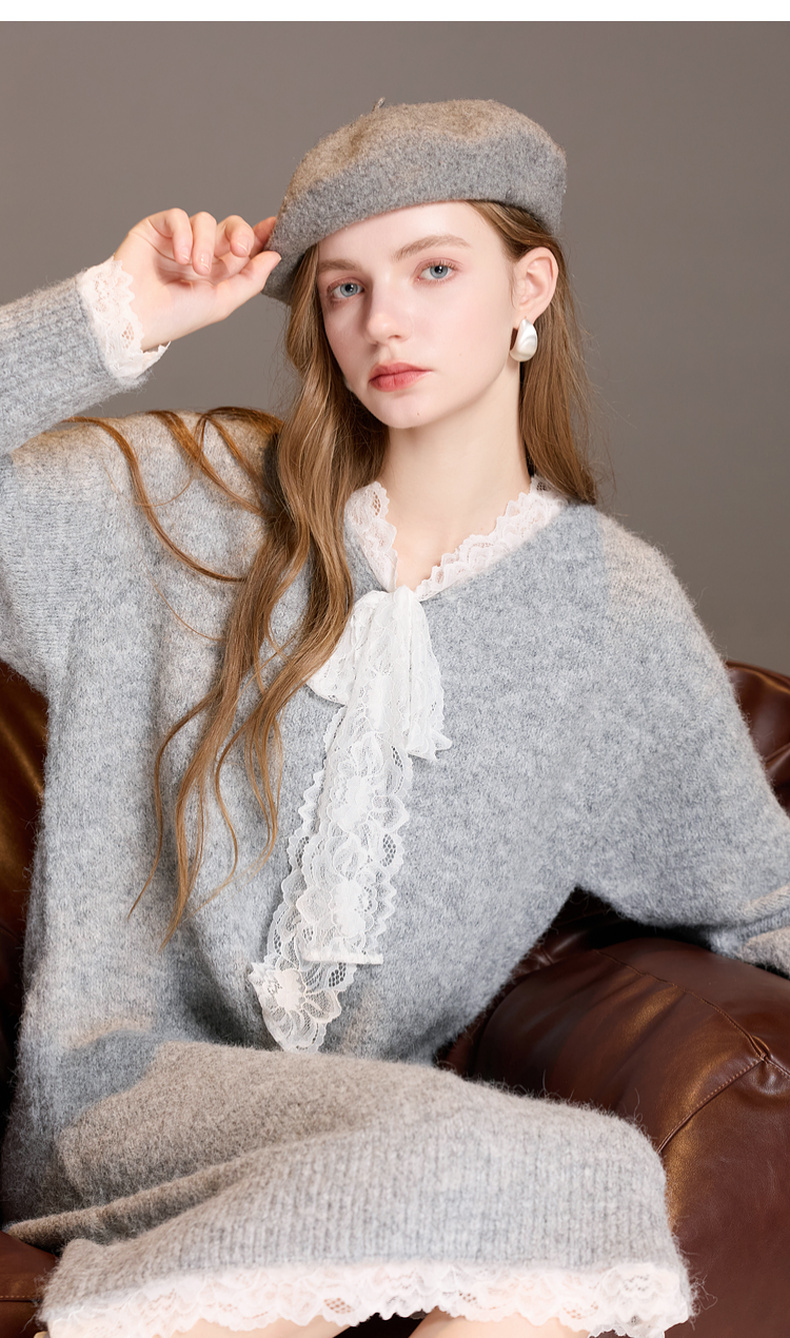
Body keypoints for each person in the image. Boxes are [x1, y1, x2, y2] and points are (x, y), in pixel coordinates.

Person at [1, 98, 789, 1338]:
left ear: (530, 285)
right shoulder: (180, 505)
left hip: (377, 1131)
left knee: (545, 1177)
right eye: (344, 289)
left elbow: (760, 893)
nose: (384, 322)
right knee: (566, 1173)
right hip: (117, 1100)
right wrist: (120, 313)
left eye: (433, 270)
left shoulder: (610, 614)